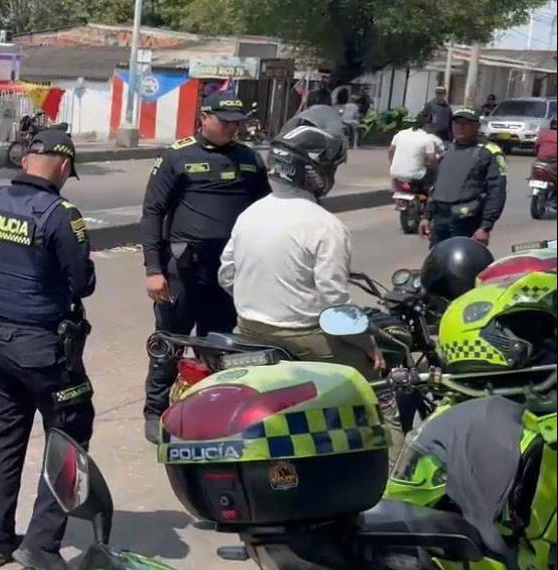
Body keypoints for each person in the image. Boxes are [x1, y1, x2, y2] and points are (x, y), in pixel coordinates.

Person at [0, 129, 95, 570]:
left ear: (26, 161)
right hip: (45, 350)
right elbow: (84, 283)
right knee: (72, 431)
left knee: (8, 435)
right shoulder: (63, 214)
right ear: (62, 167)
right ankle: (40, 544)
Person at [139, 91, 271, 443]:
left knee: (222, 346)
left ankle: (214, 410)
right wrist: (153, 268)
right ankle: (155, 411)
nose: (232, 129)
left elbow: (266, 211)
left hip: (227, 273)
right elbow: (153, 212)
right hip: (183, 269)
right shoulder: (177, 156)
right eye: (225, 122)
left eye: (237, 123)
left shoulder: (250, 159)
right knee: (169, 342)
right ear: (204, 118)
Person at [219, 105, 378, 377]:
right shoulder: (326, 226)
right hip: (303, 338)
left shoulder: (250, 214)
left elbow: (227, 276)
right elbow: (334, 302)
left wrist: (263, 303)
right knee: (378, 375)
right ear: (316, 173)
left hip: (248, 330)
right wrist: (368, 343)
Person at [420, 108, 508, 247]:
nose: (460, 127)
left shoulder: (489, 151)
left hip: (467, 221)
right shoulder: (448, 149)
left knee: (463, 264)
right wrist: (426, 217)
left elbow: (496, 191)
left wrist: (485, 227)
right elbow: (435, 185)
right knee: (437, 261)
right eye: (456, 123)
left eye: (465, 123)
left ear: (477, 126)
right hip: (440, 219)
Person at [389, 111, 444, 189]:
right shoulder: (427, 138)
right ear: (427, 125)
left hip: (396, 174)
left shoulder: (400, 133)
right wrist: (436, 170)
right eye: (432, 125)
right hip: (416, 177)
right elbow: (432, 159)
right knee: (433, 176)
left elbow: (391, 150)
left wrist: (392, 164)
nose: (433, 128)